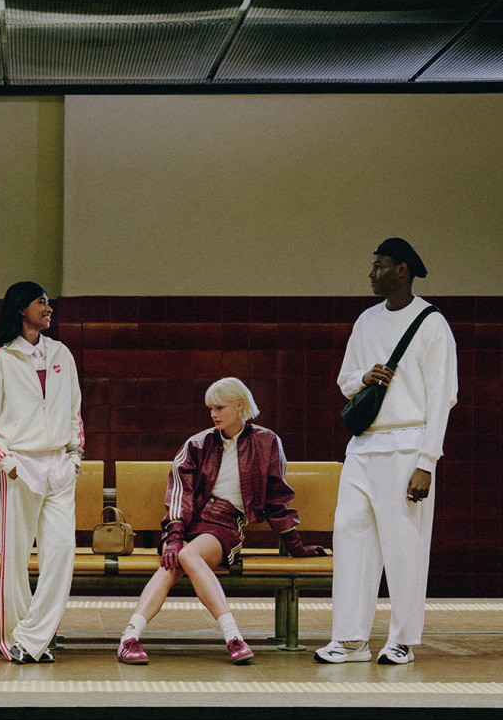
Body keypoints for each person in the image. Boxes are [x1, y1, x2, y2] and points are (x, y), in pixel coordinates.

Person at [315, 238, 457, 666]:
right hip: (363, 445)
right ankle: (350, 639)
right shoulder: (366, 321)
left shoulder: (432, 323)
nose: (371, 274)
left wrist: (427, 463)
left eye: (379, 266)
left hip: (408, 446)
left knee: (404, 545)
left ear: (402, 270)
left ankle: (402, 640)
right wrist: (365, 376)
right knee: (350, 536)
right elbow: (345, 379)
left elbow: (443, 398)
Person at [117, 377, 325, 666]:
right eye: (210, 408)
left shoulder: (267, 442)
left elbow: (277, 497)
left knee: (186, 555)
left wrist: (295, 545)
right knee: (174, 560)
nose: (213, 414)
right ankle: (132, 638)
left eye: (219, 407)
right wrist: (174, 537)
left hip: (224, 524)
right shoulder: (197, 443)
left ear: (239, 405)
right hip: (188, 522)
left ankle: (229, 635)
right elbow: (179, 493)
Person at [0, 281, 84, 663]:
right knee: (15, 561)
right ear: (22, 309)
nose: (49, 308)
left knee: (61, 553)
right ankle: (13, 640)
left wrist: (75, 456)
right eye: (42, 302)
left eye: (48, 302)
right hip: (18, 468)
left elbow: (74, 412)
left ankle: (33, 638)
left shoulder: (61, 354)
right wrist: (8, 463)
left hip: (60, 468)